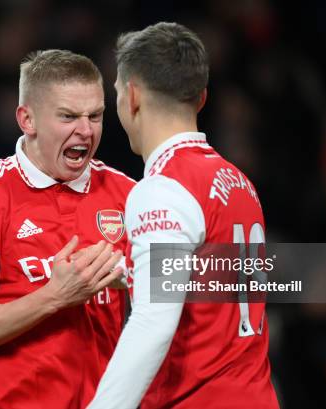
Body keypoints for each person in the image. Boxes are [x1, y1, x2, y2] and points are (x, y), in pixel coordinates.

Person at [88, 22, 279, 408]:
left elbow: (153, 321)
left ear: (133, 96)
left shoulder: (162, 189)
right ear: (202, 97)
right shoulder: (238, 181)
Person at [0, 49, 135, 408]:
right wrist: (54, 297)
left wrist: (262, 269)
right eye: (68, 116)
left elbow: (190, 279)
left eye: (95, 115)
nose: (86, 131)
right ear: (27, 119)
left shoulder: (128, 195)